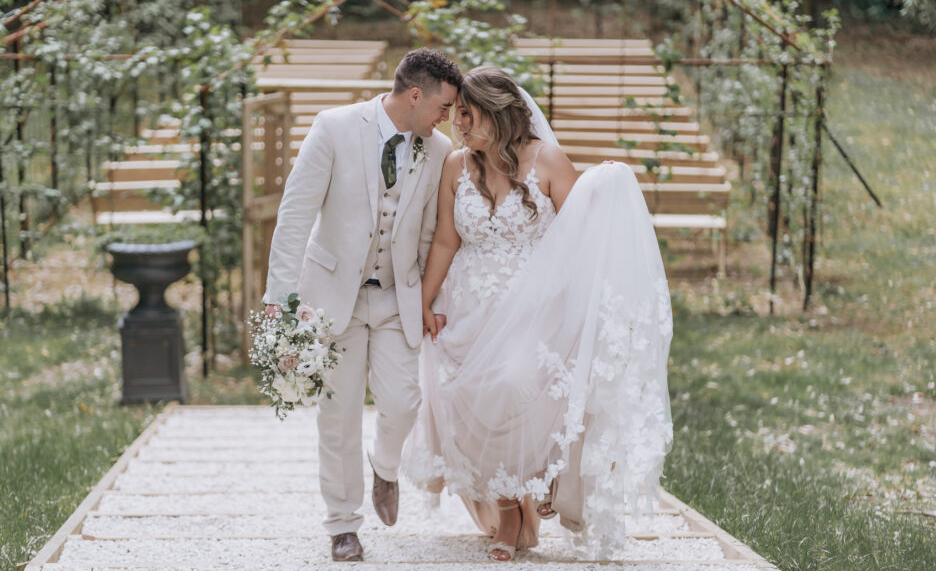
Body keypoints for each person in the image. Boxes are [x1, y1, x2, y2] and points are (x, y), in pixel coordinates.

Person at [403, 66, 673, 561]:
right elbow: (446, 238)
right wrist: (424, 298)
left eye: (467, 114)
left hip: (535, 309)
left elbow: (583, 238)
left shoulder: (547, 160)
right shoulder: (456, 166)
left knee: (515, 384)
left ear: (499, 112)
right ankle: (510, 511)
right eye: (456, 114)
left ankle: (544, 480)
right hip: (468, 304)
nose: (458, 124)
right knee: (467, 395)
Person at [262, 48, 462, 562]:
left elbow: (430, 235)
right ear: (415, 95)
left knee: (403, 403)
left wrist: (429, 299)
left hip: (399, 296)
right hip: (333, 300)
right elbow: (294, 217)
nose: (447, 118)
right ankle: (343, 524)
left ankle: (386, 467)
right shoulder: (334, 127)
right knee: (338, 414)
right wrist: (280, 302)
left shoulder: (437, 150)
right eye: (443, 106)